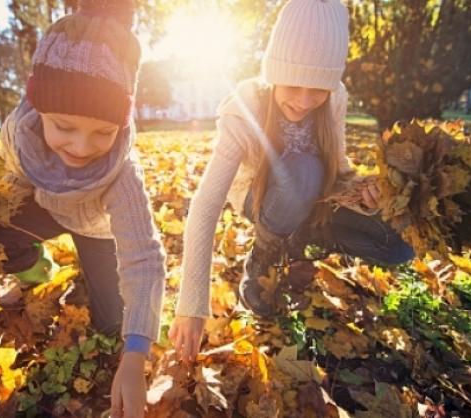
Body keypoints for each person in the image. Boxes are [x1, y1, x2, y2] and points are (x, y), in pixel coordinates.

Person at [169, 0, 414, 363]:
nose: (303, 101)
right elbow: (206, 205)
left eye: (317, 90)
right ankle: (266, 254)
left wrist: (367, 192)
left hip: (313, 196)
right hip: (261, 199)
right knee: (301, 171)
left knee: (399, 244)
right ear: (273, 71)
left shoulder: (335, 100)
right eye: (294, 84)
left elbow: (339, 167)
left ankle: (300, 238)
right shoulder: (246, 107)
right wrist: (191, 305)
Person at [0, 2, 165, 416]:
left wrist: (137, 351)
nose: (81, 148)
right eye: (64, 127)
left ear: (120, 125)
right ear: (40, 109)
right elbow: (8, 184)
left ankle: (98, 287)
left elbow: (144, 258)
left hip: (97, 228)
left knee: (111, 324)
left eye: (102, 132)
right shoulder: (20, 136)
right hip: (44, 208)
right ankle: (37, 272)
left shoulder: (121, 175)